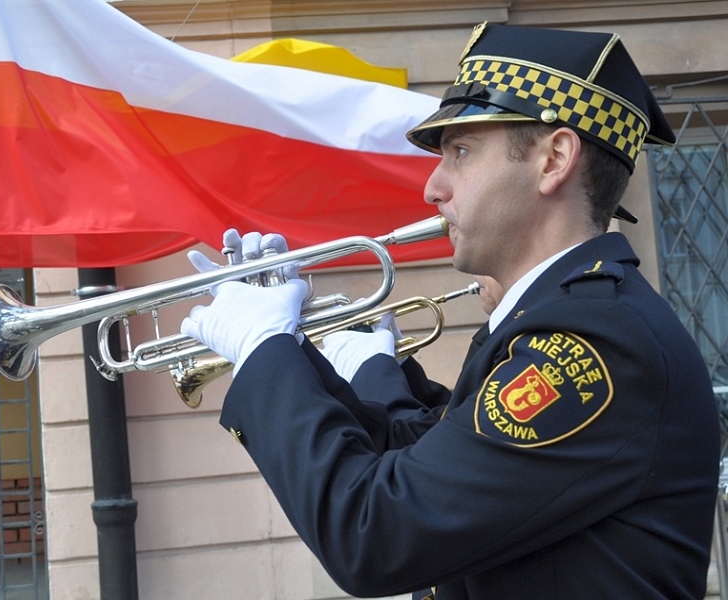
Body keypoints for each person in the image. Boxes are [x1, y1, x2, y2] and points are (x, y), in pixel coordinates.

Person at [180, 23, 720, 599]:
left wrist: (263, 349)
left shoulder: (596, 341)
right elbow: (424, 462)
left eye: (460, 151)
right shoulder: (557, 318)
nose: (432, 187)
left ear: (554, 158)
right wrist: (300, 353)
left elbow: (376, 534)